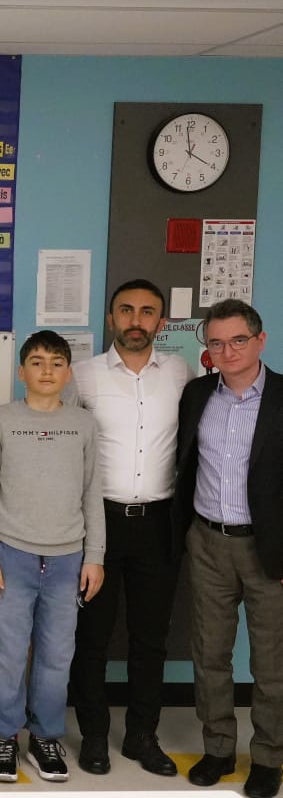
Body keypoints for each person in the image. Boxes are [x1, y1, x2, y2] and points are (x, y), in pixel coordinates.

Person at [66, 279, 191, 777]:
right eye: (126, 310)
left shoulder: (180, 374)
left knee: (150, 639)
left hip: (159, 525)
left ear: (161, 322)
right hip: (97, 524)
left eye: (146, 312)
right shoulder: (82, 376)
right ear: (111, 318)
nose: (136, 320)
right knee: (91, 638)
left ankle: (142, 735)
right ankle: (94, 735)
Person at [0, 331, 105, 783]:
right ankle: (3, 735)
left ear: (68, 373)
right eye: (36, 361)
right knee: (7, 653)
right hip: (11, 555)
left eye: (56, 362)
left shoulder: (83, 423)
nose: (46, 370)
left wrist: (95, 556)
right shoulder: (1, 420)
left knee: (56, 655)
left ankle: (45, 736)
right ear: (21, 371)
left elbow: (92, 493)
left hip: (68, 559)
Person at [174, 299, 283, 798]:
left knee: (271, 663)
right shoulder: (196, 395)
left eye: (238, 340)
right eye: (216, 343)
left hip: (269, 548)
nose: (227, 351)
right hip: (207, 543)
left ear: (260, 341)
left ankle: (268, 758)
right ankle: (218, 748)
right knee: (210, 654)